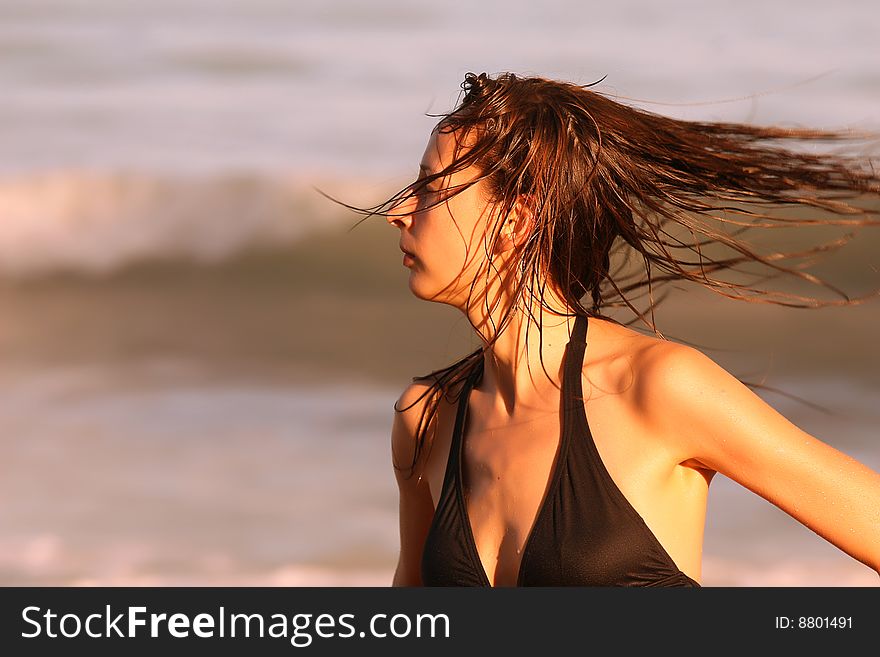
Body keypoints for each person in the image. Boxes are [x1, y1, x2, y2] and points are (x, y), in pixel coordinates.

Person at [334, 71, 880, 586]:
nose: (400, 210)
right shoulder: (426, 417)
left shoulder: (657, 387)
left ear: (515, 223)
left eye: (431, 187)